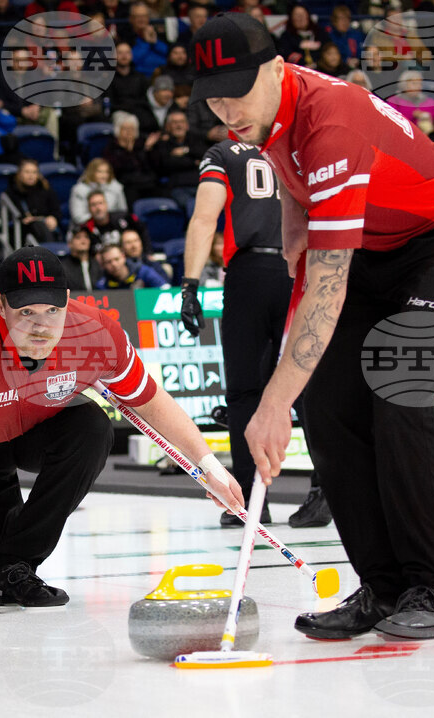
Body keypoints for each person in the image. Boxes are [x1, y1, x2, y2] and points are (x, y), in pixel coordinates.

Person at [189, 13, 434, 640]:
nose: (226, 110)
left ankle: (430, 588)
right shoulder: (262, 117)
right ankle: (382, 588)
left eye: (237, 90)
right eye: (213, 97)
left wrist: (272, 402)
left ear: (277, 68)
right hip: (369, 250)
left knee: (396, 385)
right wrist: (294, 245)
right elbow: (302, 221)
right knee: (325, 402)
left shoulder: (333, 118)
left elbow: (327, 286)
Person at [0, 246, 244, 617]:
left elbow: (152, 401)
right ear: (1, 306)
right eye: (25, 312)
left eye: (51, 311)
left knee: (92, 425)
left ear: (67, 301)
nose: (40, 326)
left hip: (38, 429)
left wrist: (209, 466)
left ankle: (18, 560)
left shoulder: (95, 332)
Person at [180, 138, 330, 530]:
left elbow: (203, 218)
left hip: (250, 273)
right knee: (310, 384)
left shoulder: (222, 154)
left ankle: (248, 501)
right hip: (303, 267)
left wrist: (190, 285)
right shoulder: (300, 148)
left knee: (245, 390)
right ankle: (326, 487)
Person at [149, 108, 206, 209]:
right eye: (175, 123)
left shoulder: (195, 140)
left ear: (187, 125)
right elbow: (167, 163)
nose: (179, 125)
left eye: (181, 122)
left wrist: (186, 151)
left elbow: (205, 155)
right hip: (178, 187)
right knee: (193, 206)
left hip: (200, 185)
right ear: (167, 127)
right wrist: (194, 162)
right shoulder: (163, 144)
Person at [103, 111, 159, 206]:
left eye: (132, 129)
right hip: (126, 184)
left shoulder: (141, 144)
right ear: (118, 130)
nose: (129, 132)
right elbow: (117, 169)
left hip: (147, 182)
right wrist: (128, 152)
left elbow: (154, 166)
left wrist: (147, 149)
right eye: (125, 129)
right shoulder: (111, 148)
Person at [3, 158, 63, 247]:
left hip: (45, 226)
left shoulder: (46, 190)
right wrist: (23, 219)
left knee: (42, 226)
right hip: (21, 231)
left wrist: (54, 218)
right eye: (27, 172)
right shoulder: (11, 193)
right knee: (37, 226)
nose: (31, 176)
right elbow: (8, 217)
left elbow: (56, 211)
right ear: (19, 174)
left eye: (34, 172)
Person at [81, 190, 152, 252]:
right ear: (89, 209)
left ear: (106, 204)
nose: (98, 208)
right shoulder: (86, 229)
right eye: (93, 205)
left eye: (100, 203)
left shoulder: (124, 217)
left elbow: (142, 229)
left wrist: (148, 252)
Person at [69, 158, 128, 226]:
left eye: (107, 172)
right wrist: (100, 220)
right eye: (100, 172)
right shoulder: (79, 190)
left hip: (112, 226)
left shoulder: (116, 188)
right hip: (86, 227)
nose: (104, 175)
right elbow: (78, 217)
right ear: (91, 172)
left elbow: (123, 212)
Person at [96, 243, 168, 289]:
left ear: (123, 257)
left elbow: (165, 289)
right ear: (103, 265)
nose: (114, 264)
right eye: (109, 262)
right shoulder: (102, 285)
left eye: (117, 259)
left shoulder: (143, 272)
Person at [58, 226, 102, 291]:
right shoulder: (63, 267)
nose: (83, 240)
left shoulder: (96, 264)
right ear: (70, 243)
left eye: (86, 237)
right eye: (78, 237)